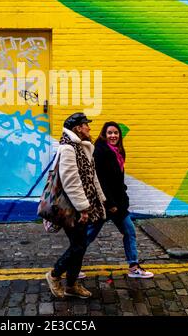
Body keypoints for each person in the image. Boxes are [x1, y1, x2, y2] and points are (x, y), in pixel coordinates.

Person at [45, 112, 107, 299]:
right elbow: (71, 181)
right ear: (78, 128)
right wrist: (83, 209)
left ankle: (72, 284)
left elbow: (90, 176)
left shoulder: (83, 148)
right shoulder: (68, 149)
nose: (89, 127)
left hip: (84, 205)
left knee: (79, 245)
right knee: (78, 246)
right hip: (72, 208)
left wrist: (100, 198)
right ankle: (54, 275)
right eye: (86, 125)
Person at [86, 121, 154, 278]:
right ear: (104, 134)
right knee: (88, 235)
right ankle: (71, 267)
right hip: (106, 204)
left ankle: (134, 266)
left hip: (118, 204)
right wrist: (109, 203)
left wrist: (122, 198)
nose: (113, 135)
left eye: (116, 133)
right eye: (109, 133)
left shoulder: (119, 152)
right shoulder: (100, 152)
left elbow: (118, 180)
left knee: (129, 232)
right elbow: (100, 180)